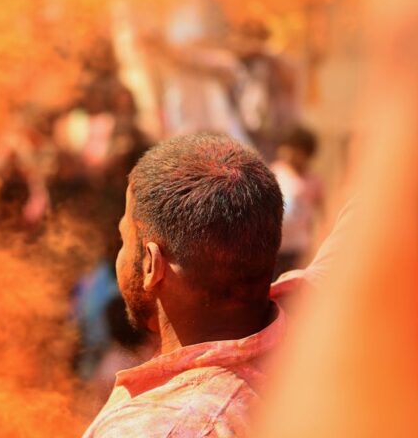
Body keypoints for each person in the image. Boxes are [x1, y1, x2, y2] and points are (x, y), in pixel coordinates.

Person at [83, 133, 285, 437]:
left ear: (152, 265)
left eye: (124, 239)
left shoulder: (160, 428)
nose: (119, 255)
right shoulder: (315, 324)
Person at [270, 126, 323, 279]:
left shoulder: (314, 181)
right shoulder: (276, 172)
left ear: (305, 153)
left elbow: (321, 213)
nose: (288, 153)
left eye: (294, 149)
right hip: (276, 244)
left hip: (299, 246)